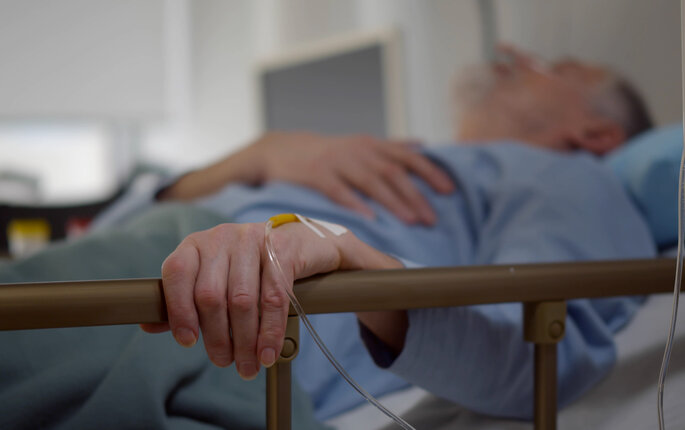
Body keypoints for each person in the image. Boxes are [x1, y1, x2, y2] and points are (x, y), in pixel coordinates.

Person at [0, 46, 657, 427]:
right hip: (137, 261)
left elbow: (538, 343)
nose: (512, 55)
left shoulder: (568, 177)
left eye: (553, 66)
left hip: (207, 314)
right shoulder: (405, 158)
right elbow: (95, 240)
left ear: (595, 136)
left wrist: (341, 251)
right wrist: (251, 158)